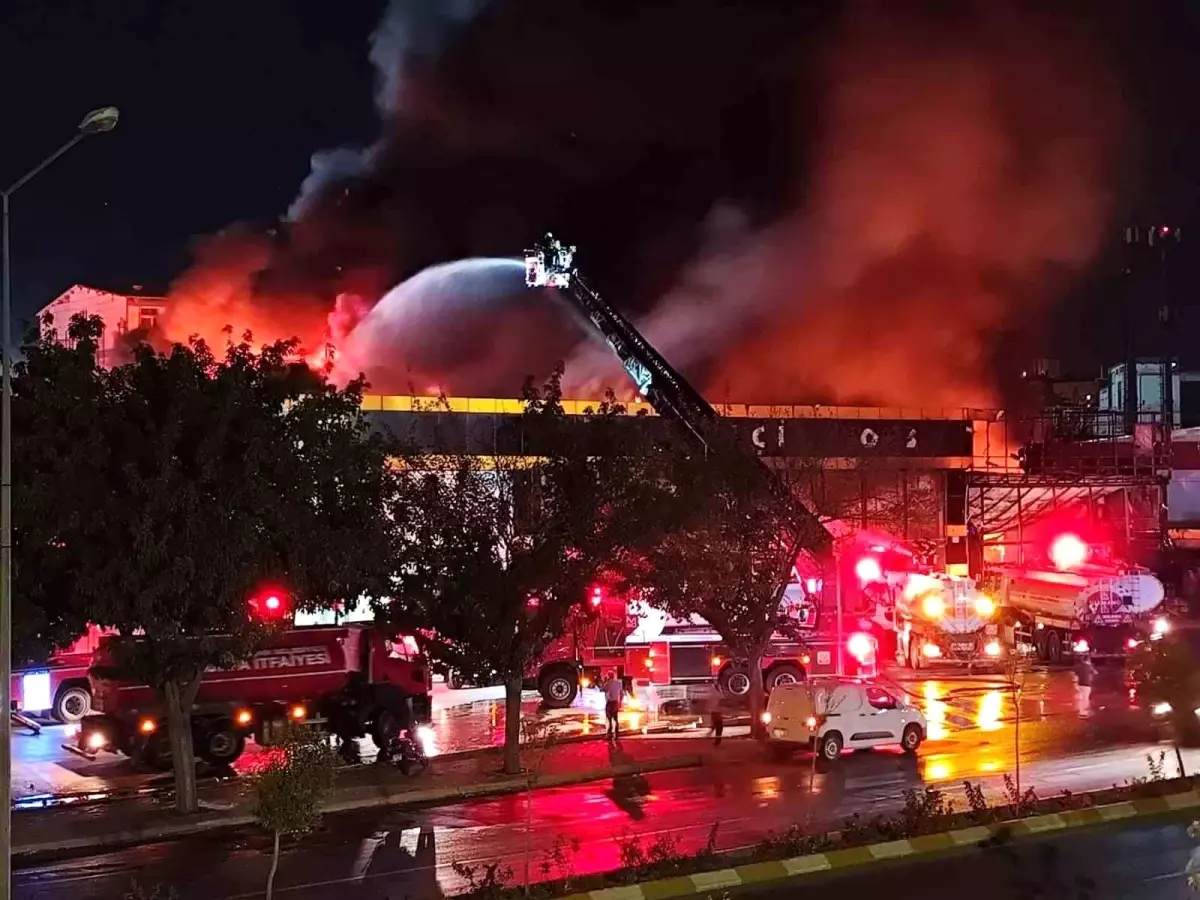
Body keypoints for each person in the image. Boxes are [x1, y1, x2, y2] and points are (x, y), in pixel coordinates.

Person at [703, 681, 724, 746]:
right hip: (715, 710)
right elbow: (718, 700)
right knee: (719, 725)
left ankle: (714, 738)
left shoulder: (716, 689)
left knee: (717, 725)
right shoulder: (713, 691)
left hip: (716, 710)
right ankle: (716, 740)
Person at [604, 672, 624, 740]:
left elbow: (602, 689)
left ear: (608, 676)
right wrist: (620, 702)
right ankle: (616, 735)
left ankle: (609, 735)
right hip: (616, 703)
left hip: (610, 703)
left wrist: (605, 681)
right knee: (616, 719)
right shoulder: (618, 683)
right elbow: (621, 693)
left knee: (609, 720)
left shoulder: (608, 684)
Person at [1075, 652, 1095, 718]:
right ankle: (1084, 712)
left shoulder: (1079, 666)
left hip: (1080, 684)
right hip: (1087, 685)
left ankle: (1081, 711)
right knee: (1085, 699)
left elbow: (1076, 672)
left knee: (1081, 698)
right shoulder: (1089, 666)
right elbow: (1095, 672)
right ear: (1088, 660)